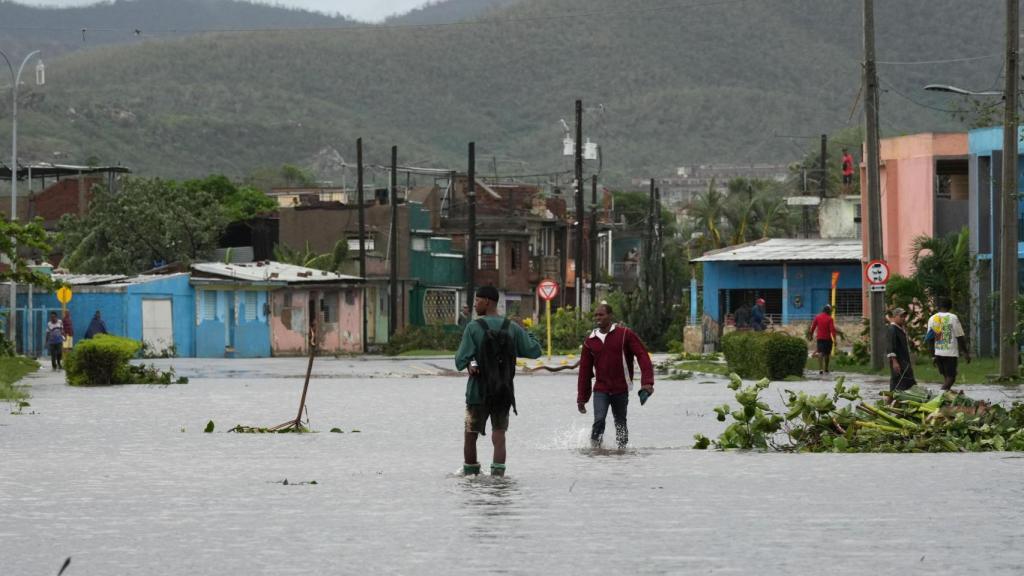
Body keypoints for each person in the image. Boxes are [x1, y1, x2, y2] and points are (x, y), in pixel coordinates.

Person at [455, 286, 541, 477]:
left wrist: (471, 360)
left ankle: (470, 475)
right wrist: (527, 332)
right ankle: (498, 479)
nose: (475, 304)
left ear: (488, 302)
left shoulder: (473, 328)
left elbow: (459, 360)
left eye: (477, 300)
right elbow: (535, 351)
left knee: (470, 435)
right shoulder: (511, 327)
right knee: (499, 435)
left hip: (477, 392)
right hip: (504, 392)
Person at [577, 303, 654, 449]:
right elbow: (585, 372)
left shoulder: (625, 334)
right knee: (599, 420)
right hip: (601, 389)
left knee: (620, 423)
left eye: (601, 315)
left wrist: (647, 382)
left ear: (610, 316)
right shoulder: (590, 341)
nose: (598, 318)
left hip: (621, 389)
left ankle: (622, 452)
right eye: (596, 315)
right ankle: (595, 450)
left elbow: (643, 356)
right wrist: (582, 398)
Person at [926, 296, 971, 391]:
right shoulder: (953, 318)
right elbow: (960, 336)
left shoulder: (932, 318)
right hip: (950, 353)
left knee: (946, 377)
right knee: (951, 377)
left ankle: (945, 399)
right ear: (950, 307)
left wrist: (932, 355)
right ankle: (940, 394)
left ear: (938, 307)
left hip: (938, 353)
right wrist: (965, 353)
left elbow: (930, 339)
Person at [807, 305, 844, 374]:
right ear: (828, 311)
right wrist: (834, 340)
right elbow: (832, 330)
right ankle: (826, 368)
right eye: (830, 311)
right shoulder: (829, 319)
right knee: (827, 354)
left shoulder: (817, 317)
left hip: (820, 338)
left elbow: (813, 327)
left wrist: (811, 335)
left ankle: (820, 369)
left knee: (820, 353)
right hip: (827, 339)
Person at [887, 307, 916, 392]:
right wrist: (894, 362)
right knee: (899, 384)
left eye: (904, 316)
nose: (904, 318)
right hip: (899, 362)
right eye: (901, 316)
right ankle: (889, 403)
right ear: (895, 317)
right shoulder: (892, 329)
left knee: (903, 384)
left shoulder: (900, 329)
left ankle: (891, 403)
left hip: (904, 361)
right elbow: (891, 346)